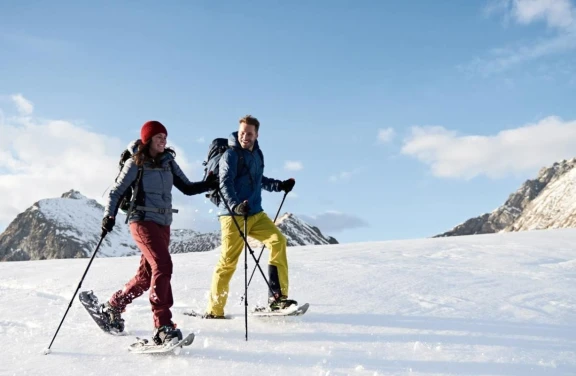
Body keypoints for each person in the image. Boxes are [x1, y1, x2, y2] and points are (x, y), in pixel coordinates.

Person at [100, 120, 218, 344]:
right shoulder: (136, 163)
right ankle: (162, 325)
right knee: (163, 265)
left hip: (163, 224)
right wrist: (109, 216)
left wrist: (208, 183)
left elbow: (188, 187)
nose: (163, 140)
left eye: (165, 136)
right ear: (147, 139)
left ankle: (114, 305)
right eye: (158, 137)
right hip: (142, 221)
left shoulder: (168, 162)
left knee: (146, 278)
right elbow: (116, 192)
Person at [203, 115, 296, 319]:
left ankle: (277, 299)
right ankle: (214, 310)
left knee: (278, 241)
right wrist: (236, 206)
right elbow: (224, 183)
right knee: (228, 262)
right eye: (242, 132)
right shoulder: (231, 155)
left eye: (250, 133)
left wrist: (279, 185)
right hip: (232, 215)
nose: (245, 136)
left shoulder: (258, 154)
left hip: (255, 213)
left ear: (257, 134)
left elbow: (258, 179)